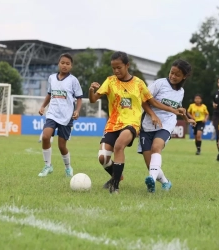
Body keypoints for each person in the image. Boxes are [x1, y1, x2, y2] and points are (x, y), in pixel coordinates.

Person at [89, 51, 185, 194]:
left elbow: (151, 101)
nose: (116, 71)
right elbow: (93, 99)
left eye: (119, 67)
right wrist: (91, 91)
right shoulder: (110, 81)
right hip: (113, 124)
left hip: (131, 124)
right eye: (113, 68)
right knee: (103, 158)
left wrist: (172, 110)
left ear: (127, 65)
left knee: (119, 145)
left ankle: (114, 187)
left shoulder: (139, 84)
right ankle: (117, 175)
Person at [138, 59, 196, 193]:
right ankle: (165, 182)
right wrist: (152, 115)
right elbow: (144, 101)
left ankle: (151, 180)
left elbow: (177, 108)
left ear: (184, 77)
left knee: (156, 147)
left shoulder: (181, 91)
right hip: (147, 125)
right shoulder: (159, 84)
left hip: (166, 124)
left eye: (177, 75)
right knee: (150, 164)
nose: (173, 76)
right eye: (172, 73)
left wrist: (186, 118)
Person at [38, 53, 83, 177]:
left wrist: (77, 111)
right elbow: (49, 94)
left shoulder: (73, 80)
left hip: (66, 117)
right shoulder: (52, 78)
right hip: (52, 113)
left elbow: (79, 98)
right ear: (58, 64)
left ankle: (68, 168)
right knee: (46, 137)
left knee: (62, 146)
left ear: (71, 66)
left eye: (67, 64)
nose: (64, 65)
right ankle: (48, 166)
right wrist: (43, 106)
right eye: (62, 63)